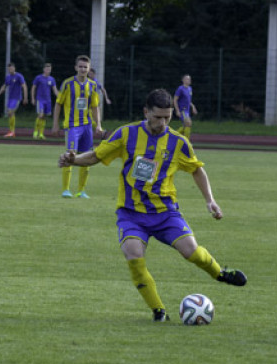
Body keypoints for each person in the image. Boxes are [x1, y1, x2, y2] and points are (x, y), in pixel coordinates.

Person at [58, 88, 247, 322]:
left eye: (168, 117)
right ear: (146, 112)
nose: (163, 122)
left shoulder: (178, 142)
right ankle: (159, 311)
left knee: (192, 252)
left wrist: (210, 200)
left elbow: (197, 169)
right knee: (134, 256)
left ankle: (220, 273)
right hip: (131, 213)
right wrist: (74, 160)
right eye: (158, 117)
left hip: (165, 213)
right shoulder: (126, 134)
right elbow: (97, 155)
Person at [52, 55, 102, 199]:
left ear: (88, 69)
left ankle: (81, 191)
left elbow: (94, 107)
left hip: (87, 127)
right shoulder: (67, 84)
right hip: (72, 126)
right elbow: (58, 104)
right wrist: (55, 124)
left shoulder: (92, 85)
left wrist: (98, 124)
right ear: (75, 68)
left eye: (85, 67)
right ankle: (66, 189)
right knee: (70, 154)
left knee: (87, 156)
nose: (82, 69)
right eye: (80, 66)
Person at [0, 62, 27, 138]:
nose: (10, 70)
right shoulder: (8, 77)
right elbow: (4, 87)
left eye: (11, 68)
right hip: (10, 99)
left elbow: (24, 86)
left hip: (17, 98)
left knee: (11, 112)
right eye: (9, 68)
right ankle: (11, 131)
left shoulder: (19, 76)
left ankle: (12, 131)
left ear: (14, 68)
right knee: (9, 113)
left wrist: (25, 97)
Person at [31, 63, 58, 140]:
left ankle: (41, 133)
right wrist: (33, 98)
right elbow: (33, 88)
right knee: (40, 115)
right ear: (44, 69)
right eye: (47, 69)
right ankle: (35, 132)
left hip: (48, 101)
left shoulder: (52, 79)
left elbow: (55, 90)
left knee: (44, 117)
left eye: (49, 69)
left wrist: (60, 98)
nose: (48, 70)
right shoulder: (38, 78)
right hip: (40, 100)